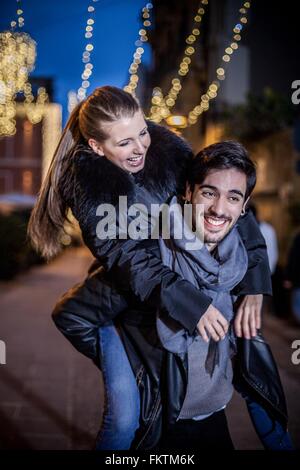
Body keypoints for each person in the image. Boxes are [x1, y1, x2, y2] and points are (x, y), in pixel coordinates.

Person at [28, 86, 272, 449]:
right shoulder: (91, 189)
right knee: (125, 421)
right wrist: (192, 304)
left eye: (142, 131)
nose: (141, 146)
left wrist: (255, 283)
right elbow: (132, 260)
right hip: (119, 307)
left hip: (163, 300)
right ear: (97, 147)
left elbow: (227, 197)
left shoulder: (167, 150)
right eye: (124, 142)